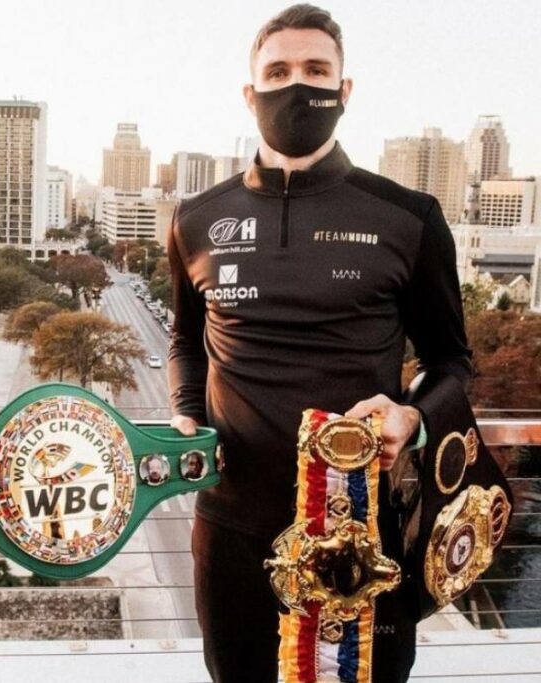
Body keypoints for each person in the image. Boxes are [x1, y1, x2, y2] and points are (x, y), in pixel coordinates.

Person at [167, 5, 471, 682]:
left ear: (344, 89)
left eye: (315, 70)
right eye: (277, 72)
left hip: (362, 533)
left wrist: (413, 418)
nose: (296, 86)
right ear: (250, 93)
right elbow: (186, 340)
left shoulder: (408, 218)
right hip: (231, 528)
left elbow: (452, 362)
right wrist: (186, 410)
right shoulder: (196, 219)